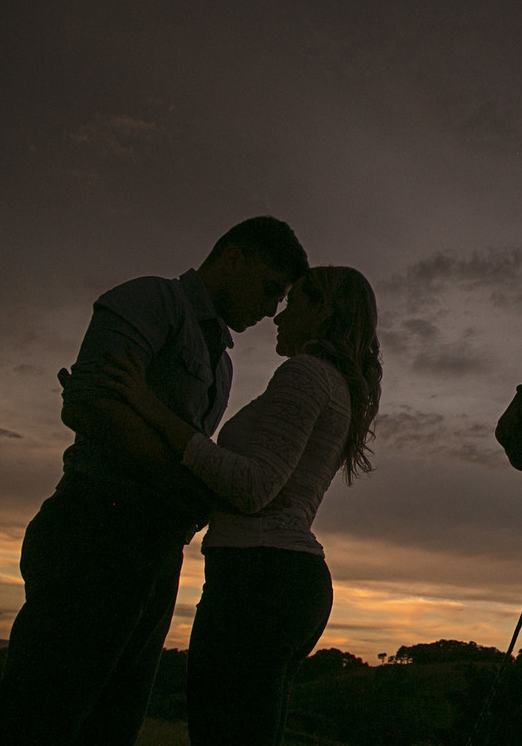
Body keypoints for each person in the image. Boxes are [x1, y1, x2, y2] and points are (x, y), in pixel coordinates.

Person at [0, 217, 309, 746]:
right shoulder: (152, 300)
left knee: (112, 725)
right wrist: (194, 488)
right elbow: (93, 403)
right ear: (234, 258)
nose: (271, 310)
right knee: (39, 718)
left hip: (157, 549)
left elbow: (180, 446)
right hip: (97, 526)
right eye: (270, 289)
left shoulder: (221, 363)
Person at [102, 265, 381, 746]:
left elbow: (252, 488)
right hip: (277, 581)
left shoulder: (307, 374)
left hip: (259, 583)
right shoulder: (334, 385)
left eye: (293, 304)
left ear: (323, 312)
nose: (278, 316)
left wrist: (148, 406)